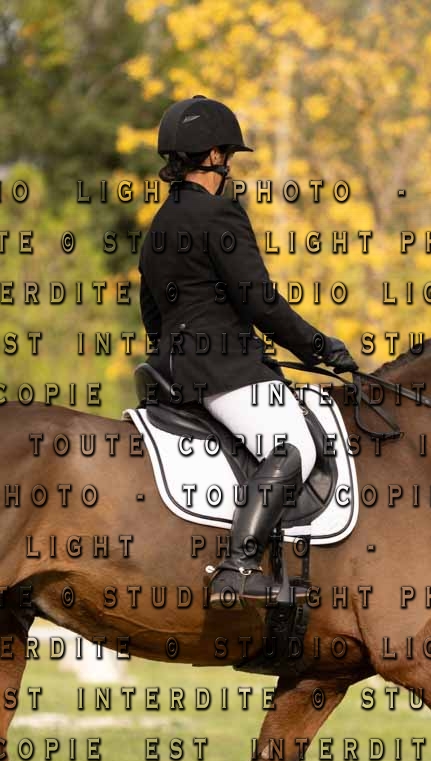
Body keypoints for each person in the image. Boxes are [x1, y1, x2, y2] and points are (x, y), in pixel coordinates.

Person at [138, 95, 357, 605]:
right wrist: (320, 347)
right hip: (224, 370)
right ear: (215, 155)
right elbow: (260, 302)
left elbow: (152, 309)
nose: (230, 165)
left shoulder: (160, 223)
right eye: (229, 155)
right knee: (293, 448)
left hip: (171, 370)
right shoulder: (220, 214)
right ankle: (237, 568)